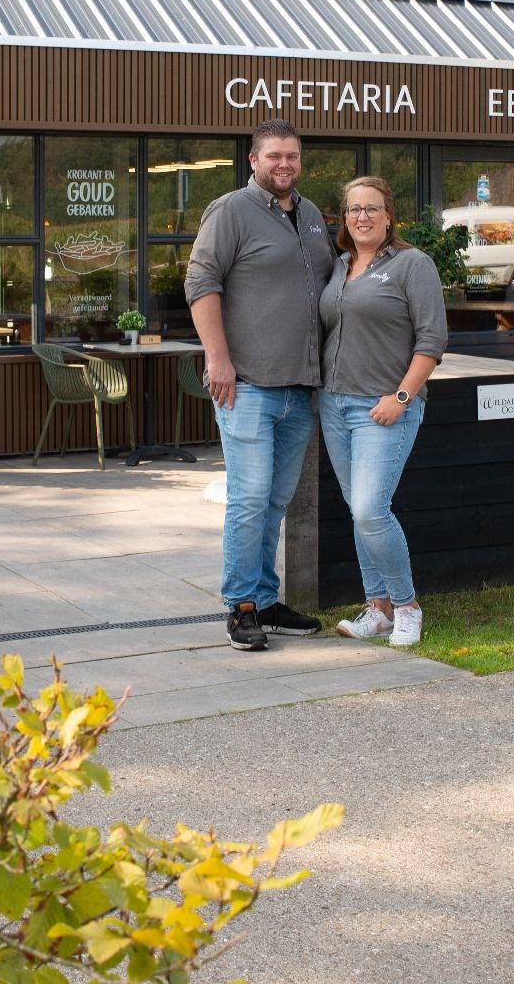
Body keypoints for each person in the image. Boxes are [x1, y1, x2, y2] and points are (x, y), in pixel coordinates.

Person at [186, 120, 336, 651]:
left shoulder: (313, 215)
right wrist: (218, 358)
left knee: (275, 501)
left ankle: (267, 599)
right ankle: (241, 607)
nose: (284, 165)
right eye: (273, 156)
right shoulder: (231, 211)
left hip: (301, 388)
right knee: (249, 499)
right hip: (246, 384)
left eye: (292, 156)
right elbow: (201, 281)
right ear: (253, 161)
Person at [319, 175, 447, 647]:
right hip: (334, 405)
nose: (362, 217)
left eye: (371, 208)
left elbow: (432, 341)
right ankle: (379, 609)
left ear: (389, 215)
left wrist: (401, 398)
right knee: (359, 512)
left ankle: (408, 605)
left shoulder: (413, 264)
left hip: (383, 408)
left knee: (372, 509)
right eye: (353, 209)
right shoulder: (340, 266)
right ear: (344, 218)